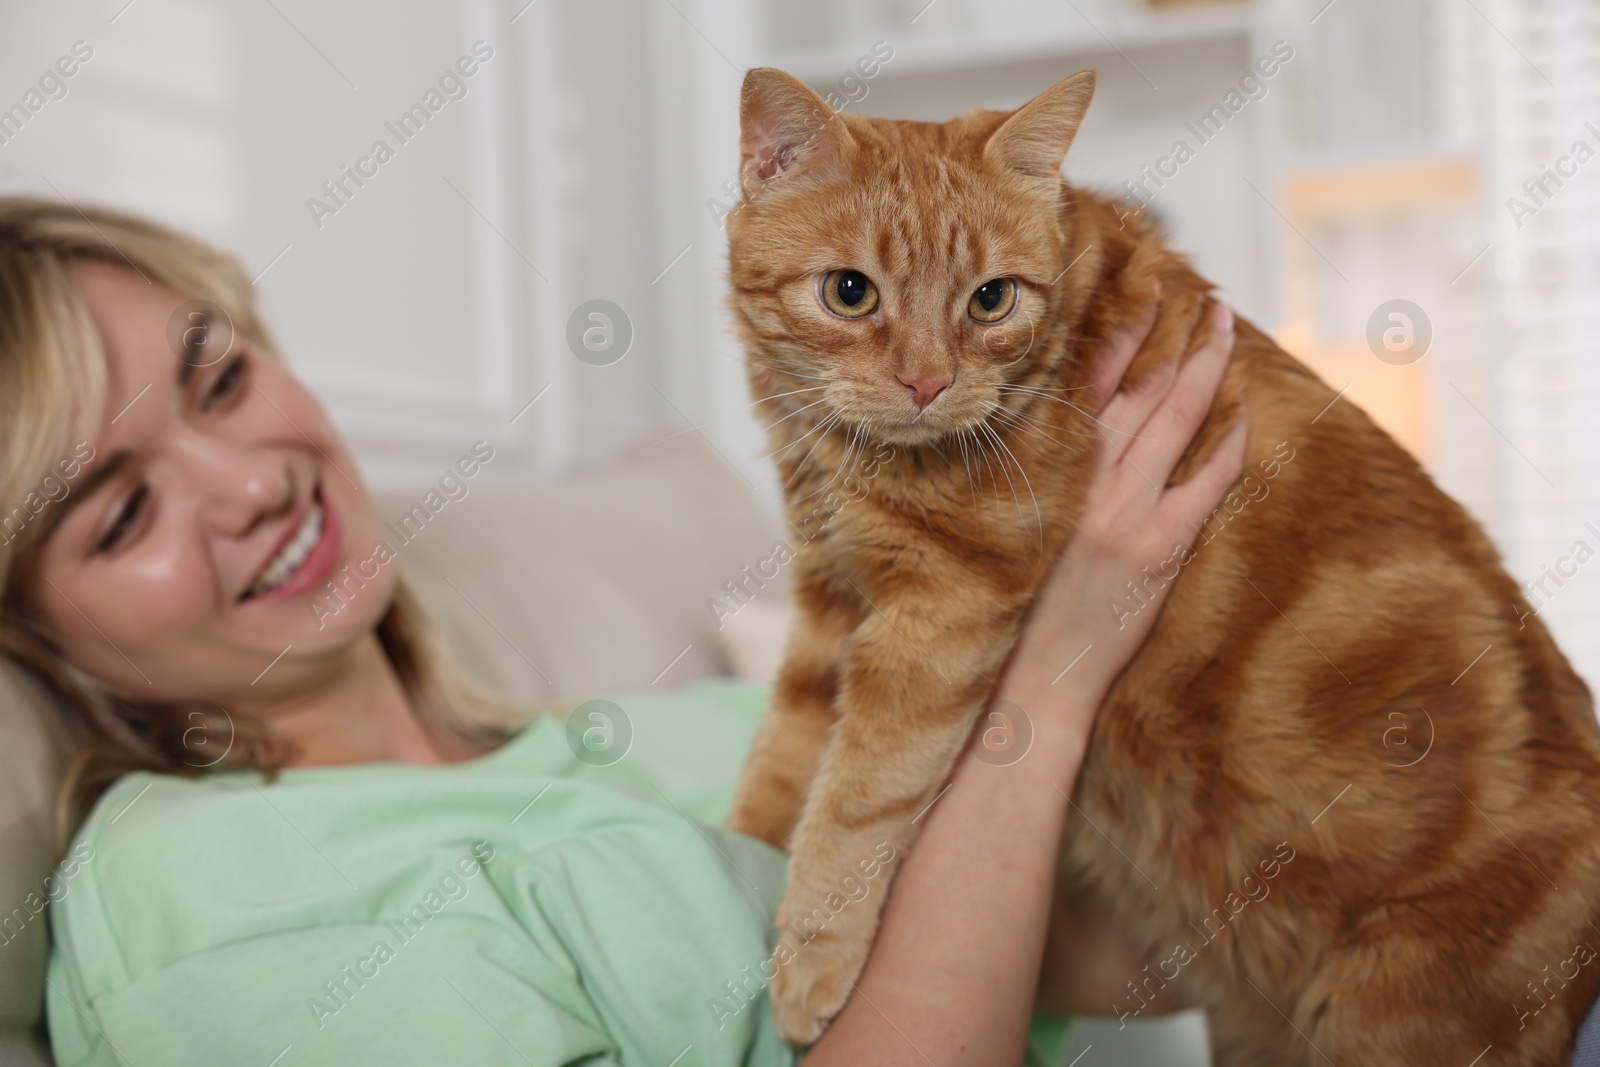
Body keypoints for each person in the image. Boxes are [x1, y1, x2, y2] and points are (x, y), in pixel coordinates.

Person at [0, 198, 1244, 1066]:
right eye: (119, 512)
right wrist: (1050, 684)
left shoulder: (673, 730)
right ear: (34, 629)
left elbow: (1125, 951)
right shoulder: (206, 902)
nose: (249, 484)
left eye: (220, 380)